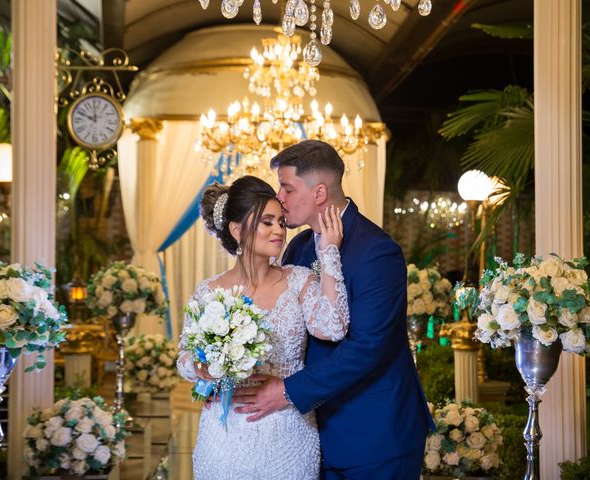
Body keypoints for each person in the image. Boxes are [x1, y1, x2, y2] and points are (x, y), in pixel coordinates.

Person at [233, 140, 435, 480]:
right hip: (310, 432)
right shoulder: (296, 247)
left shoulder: (377, 250)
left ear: (319, 192)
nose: (278, 198)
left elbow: (368, 347)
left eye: (286, 187)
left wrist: (286, 391)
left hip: (373, 433)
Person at [176, 175, 350, 480]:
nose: (279, 231)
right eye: (267, 222)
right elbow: (184, 360)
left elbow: (334, 327)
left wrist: (329, 252)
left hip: (288, 431)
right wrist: (203, 367)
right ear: (237, 229)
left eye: (281, 222)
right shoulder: (208, 292)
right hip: (224, 434)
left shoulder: (298, 280)